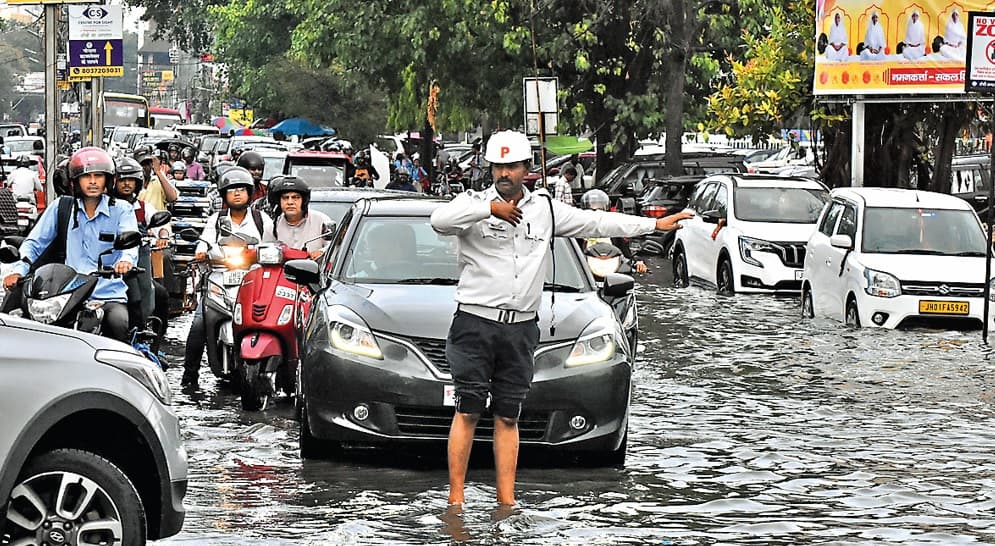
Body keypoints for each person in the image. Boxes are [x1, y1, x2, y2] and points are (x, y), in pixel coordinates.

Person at [430, 130, 692, 507]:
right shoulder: (472, 204)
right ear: (490, 169)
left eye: (512, 166)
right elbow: (440, 219)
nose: (504, 174)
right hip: (475, 321)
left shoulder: (546, 209)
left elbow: (597, 223)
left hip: (520, 327)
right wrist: (489, 210)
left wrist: (654, 225)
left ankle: (507, 501)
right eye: (498, 167)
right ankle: (456, 500)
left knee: (508, 416)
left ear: (526, 170)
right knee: (468, 409)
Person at [2, 147, 138, 342]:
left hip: (107, 294)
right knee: (16, 320)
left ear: (108, 180)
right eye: (86, 176)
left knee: (119, 324)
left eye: (98, 176)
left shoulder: (122, 210)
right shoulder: (61, 207)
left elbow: (129, 245)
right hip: (64, 295)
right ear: (75, 181)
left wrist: (125, 262)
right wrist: (17, 270)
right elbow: (34, 243)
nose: (92, 181)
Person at [181, 167, 276, 388]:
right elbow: (204, 242)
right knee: (198, 325)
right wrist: (201, 252)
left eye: (242, 190)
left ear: (250, 193)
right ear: (224, 194)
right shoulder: (216, 219)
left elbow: (272, 245)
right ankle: (189, 374)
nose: (237, 194)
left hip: (253, 279)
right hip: (219, 277)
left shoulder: (262, 220)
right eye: (232, 190)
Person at [113, 157, 171, 351]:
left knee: (157, 296)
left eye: (131, 180)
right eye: (122, 180)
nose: (127, 184)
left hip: (138, 261)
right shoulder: (107, 205)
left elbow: (162, 226)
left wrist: (162, 235)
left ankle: (153, 343)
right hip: (109, 264)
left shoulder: (144, 207)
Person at [579, 189, 647, 273]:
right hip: (584, 271)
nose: (596, 211)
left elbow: (627, 255)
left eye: (599, 207)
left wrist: (637, 263)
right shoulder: (577, 232)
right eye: (592, 207)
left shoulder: (614, 231)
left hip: (611, 269)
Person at [269, 175, 334, 259]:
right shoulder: (272, 225)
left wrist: (322, 252)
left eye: (295, 198)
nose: (290, 202)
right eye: (285, 198)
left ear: (304, 201)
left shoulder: (322, 221)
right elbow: (265, 252)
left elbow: (333, 248)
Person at [134, 145, 178, 211]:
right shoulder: (132, 184)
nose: (144, 168)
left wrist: (158, 171)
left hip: (158, 220)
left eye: (147, 164)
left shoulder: (159, 180)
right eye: (141, 164)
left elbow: (172, 198)